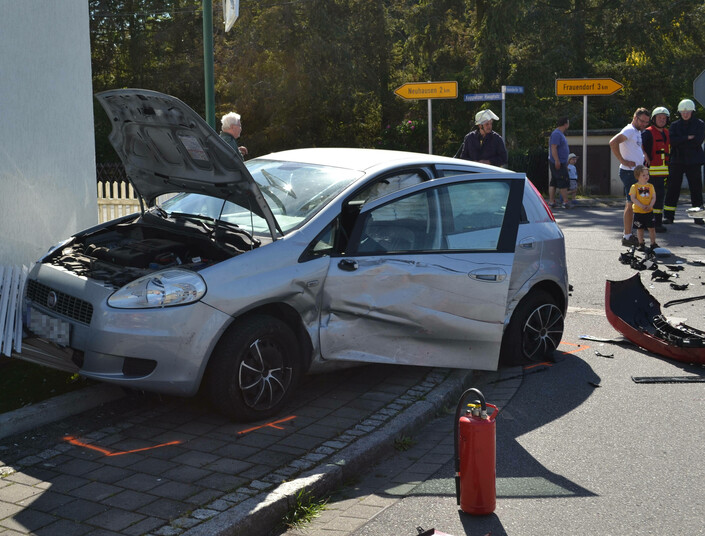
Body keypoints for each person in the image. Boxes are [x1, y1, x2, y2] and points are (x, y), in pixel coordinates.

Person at [609, 108, 650, 247]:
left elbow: (636, 148)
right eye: (642, 121)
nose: (644, 124)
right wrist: (623, 160)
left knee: (634, 203)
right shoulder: (629, 130)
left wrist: (643, 156)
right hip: (629, 172)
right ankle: (627, 236)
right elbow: (612, 142)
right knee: (630, 204)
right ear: (635, 117)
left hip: (635, 172)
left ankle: (632, 235)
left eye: (646, 122)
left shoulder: (637, 131)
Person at [662, 99, 705, 225]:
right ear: (679, 112)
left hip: (694, 162)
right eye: (683, 112)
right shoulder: (675, 125)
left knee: (696, 190)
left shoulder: (700, 124)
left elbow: (697, 141)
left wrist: (680, 141)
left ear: (692, 111)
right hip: (677, 161)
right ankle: (669, 217)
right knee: (672, 189)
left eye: (687, 112)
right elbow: (672, 142)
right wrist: (687, 138)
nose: (685, 114)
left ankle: (698, 217)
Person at [642, 107, 671, 232]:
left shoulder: (666, 132)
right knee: (648, 197)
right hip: (650, 173)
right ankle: (649, 223)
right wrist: (645, 155)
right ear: (654, 119)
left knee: (659, 199)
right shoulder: (648, 132)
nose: (662, 120)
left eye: (664, 118)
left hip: (663, 173)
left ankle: (656, 223)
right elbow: (641, 147)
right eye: (659, 118)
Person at [629, 165, 658, 252]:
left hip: (649, 211)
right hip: (638, 211)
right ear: (638, 176)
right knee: (640, 228)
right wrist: (641, 206)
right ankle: (641, 243)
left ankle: (653, 243)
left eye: (647, 174)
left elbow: (653, 197)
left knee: (651, 228)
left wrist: (650, 205)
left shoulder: (651, 186)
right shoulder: (634, 187)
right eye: (643, 175)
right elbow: (633, 198)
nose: (646, 177)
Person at [548, 117, 571, 209]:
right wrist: (557, 160)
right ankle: (565, 202)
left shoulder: (559, 134)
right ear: (565, 124)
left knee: (554, 182)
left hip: (559, 162)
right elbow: (554, 147)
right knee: (563, 181)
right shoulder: (557, 134)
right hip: (558, 162)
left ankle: (552, 201)